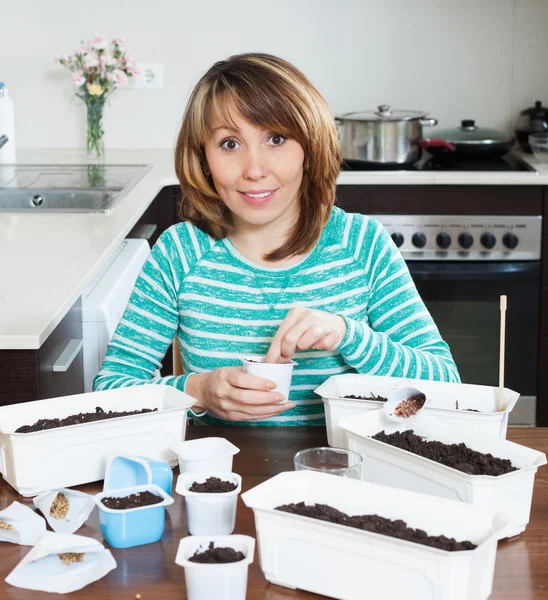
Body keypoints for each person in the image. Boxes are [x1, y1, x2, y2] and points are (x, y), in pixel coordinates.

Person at [93, 53, 460, 425]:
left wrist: (349, 335)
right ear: (203, 157)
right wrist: (198, 391)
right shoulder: (180, 253)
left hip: (344, 469)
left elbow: (446, 382)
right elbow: (109, 391)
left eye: (276, 139)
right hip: (225, 476)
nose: (254, 170)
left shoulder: (362, 244)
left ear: (310, 147)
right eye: (230, 144)